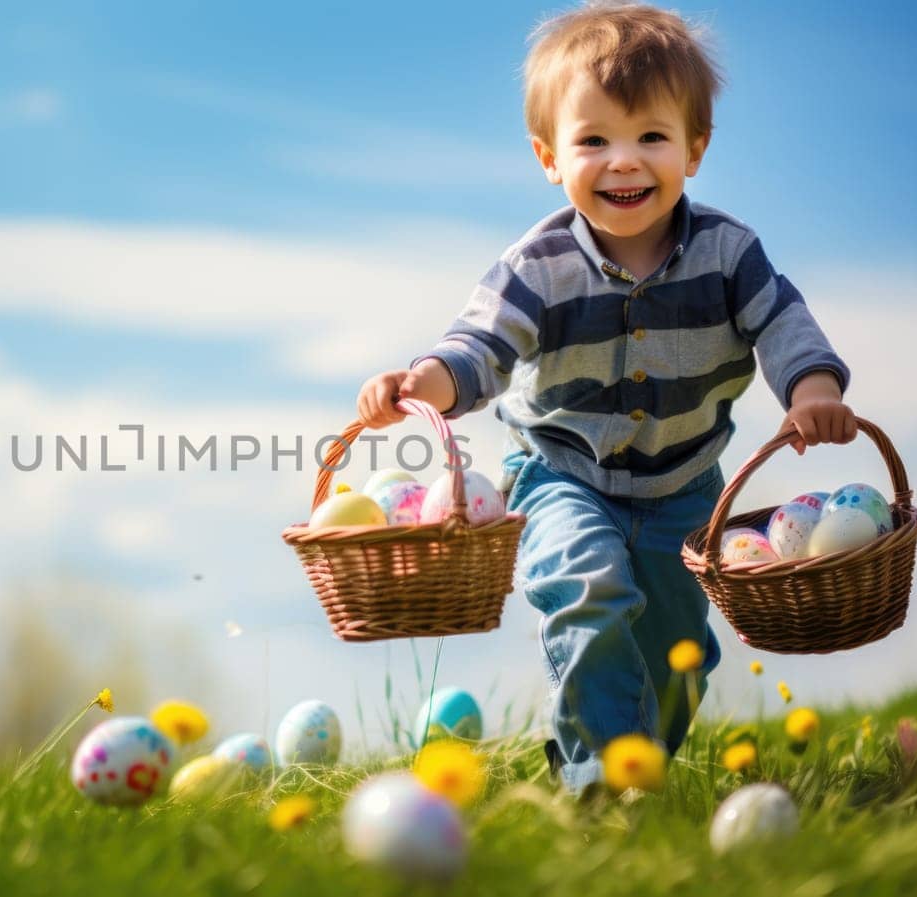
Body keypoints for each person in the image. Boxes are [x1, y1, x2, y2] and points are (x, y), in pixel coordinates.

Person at [355, 0, 857, 794]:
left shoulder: (730, 254)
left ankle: (641, 753)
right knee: (586, 586)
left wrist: (814, 388)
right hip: (561, 476)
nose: (624, 161)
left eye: (651, 137)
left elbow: (785, 325)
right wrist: (427, 382)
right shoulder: (539, 264)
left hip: (683, 488)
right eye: (593, 140)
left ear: (695, 148)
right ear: (549, 157)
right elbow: (479, 345)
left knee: (675, 648)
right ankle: (602, 786)